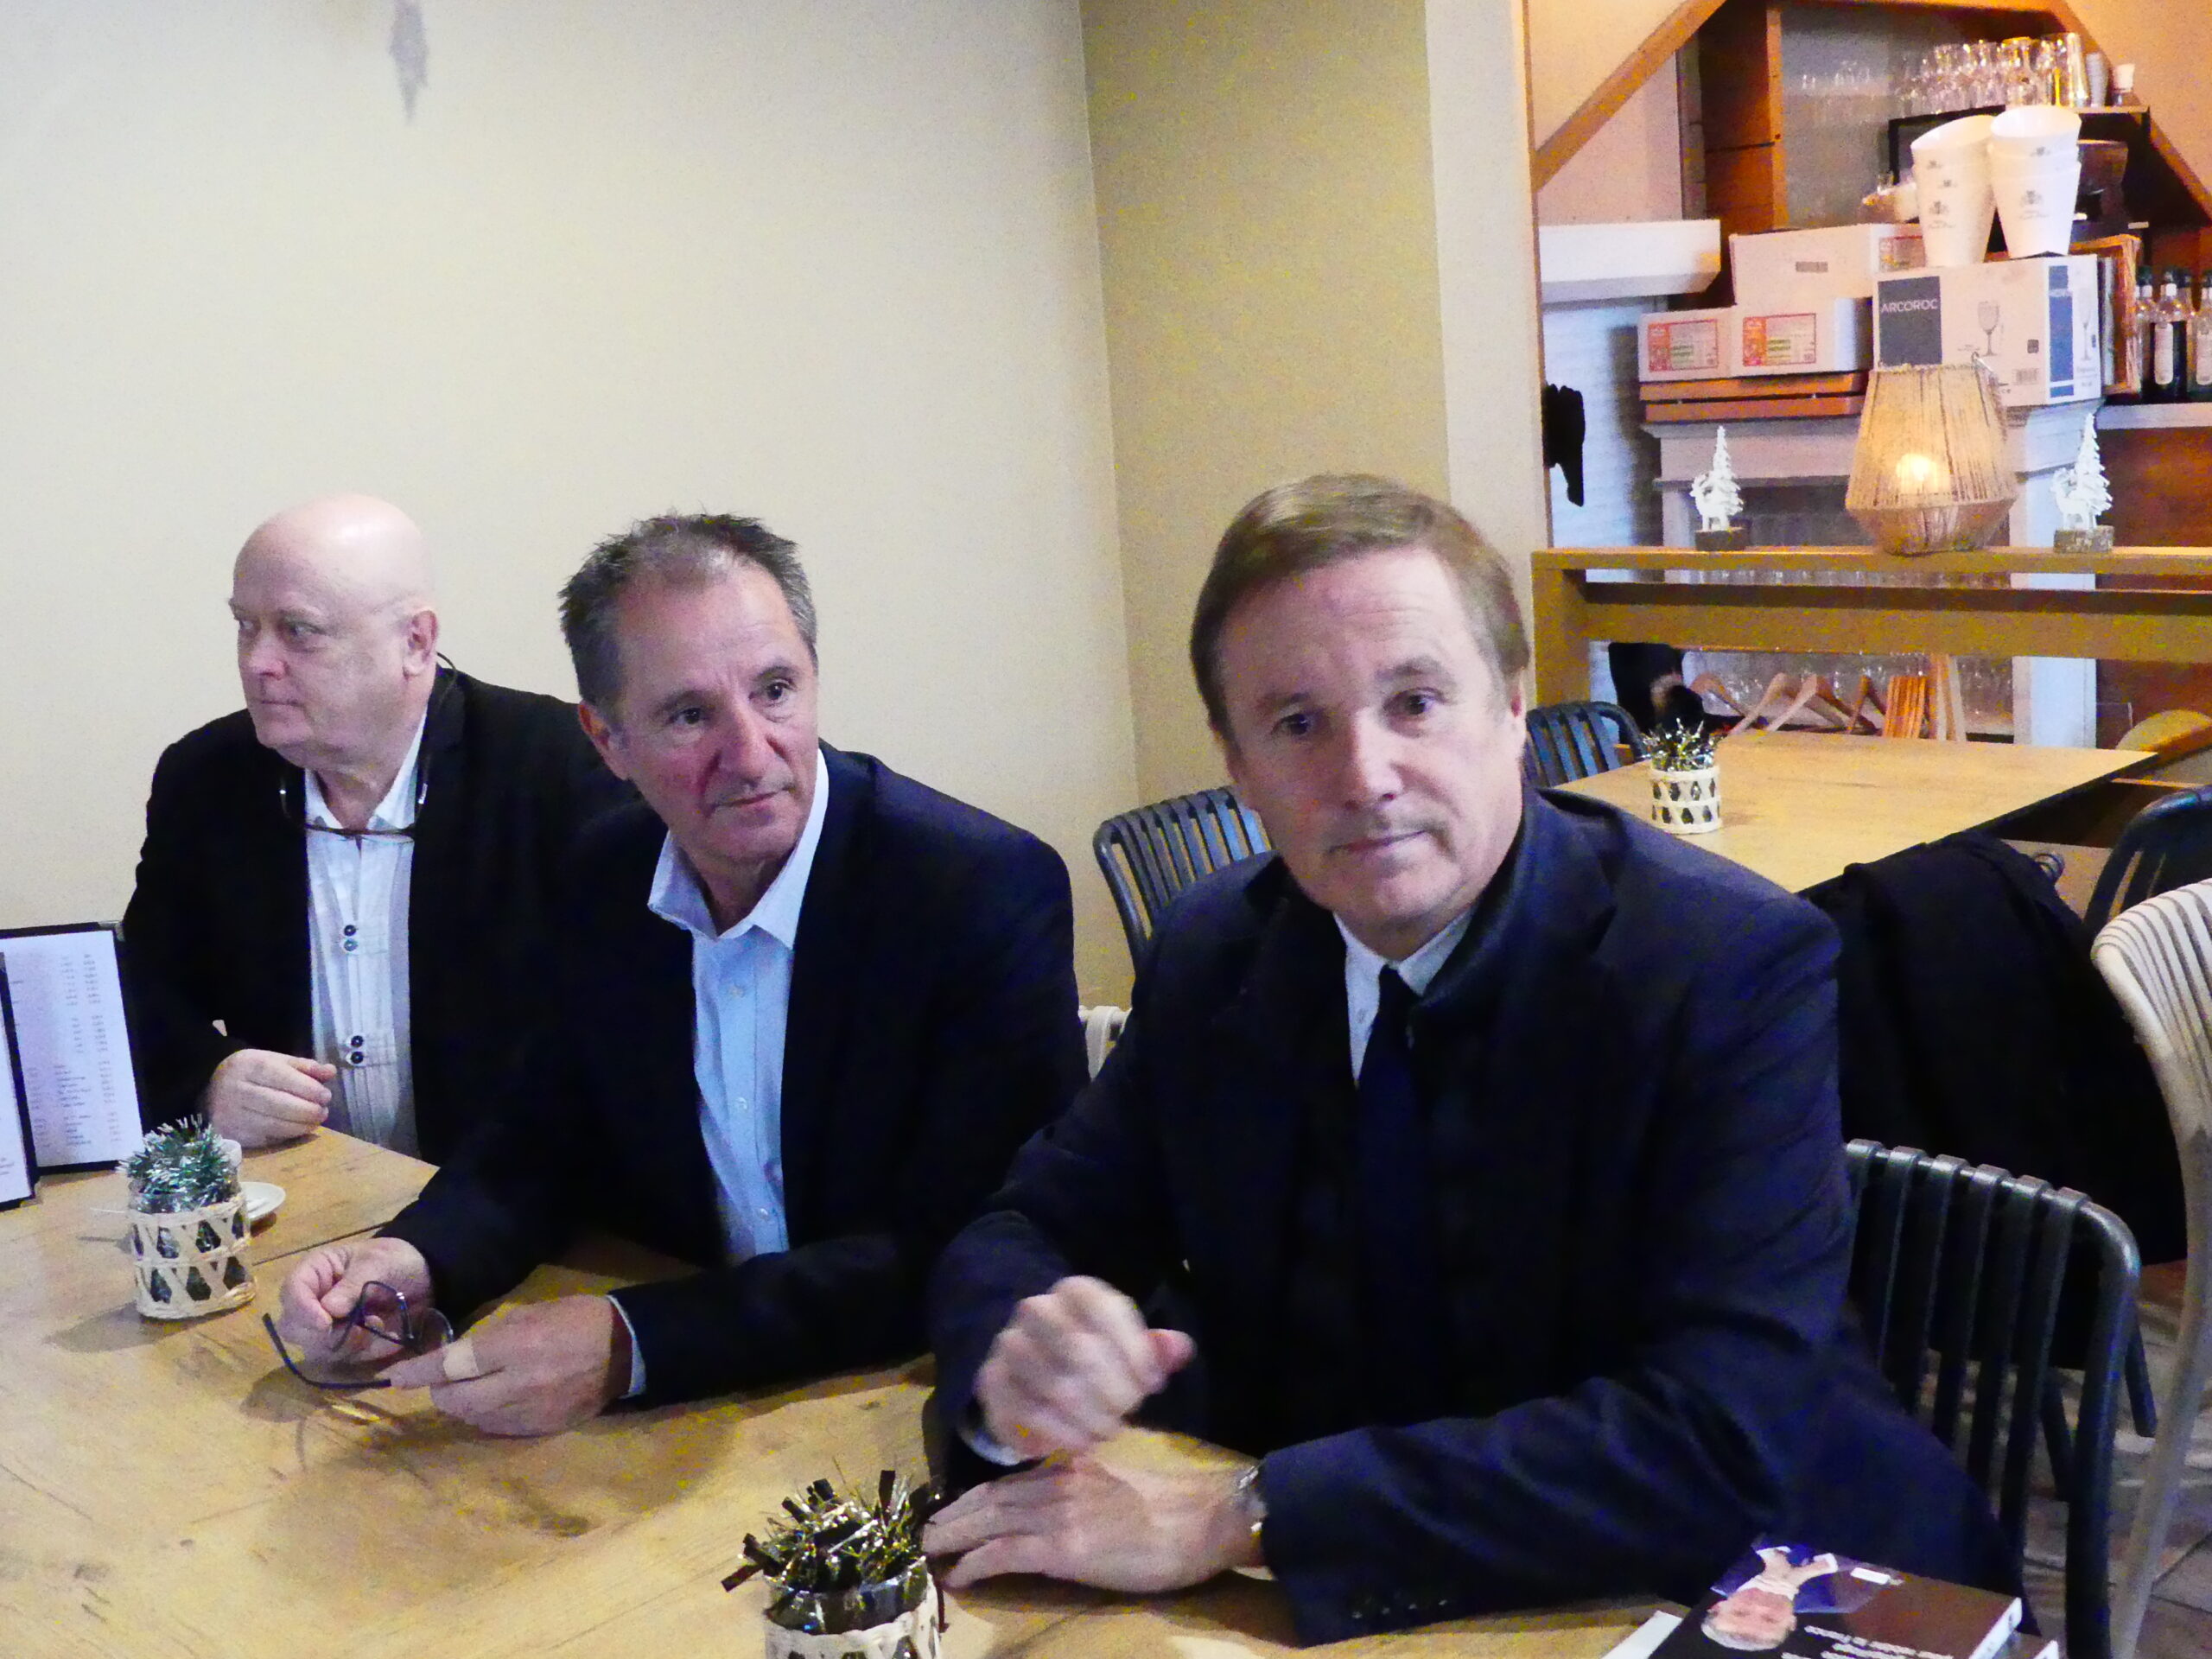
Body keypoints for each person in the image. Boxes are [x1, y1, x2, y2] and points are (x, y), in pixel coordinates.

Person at [921, 475, 2012, 1643]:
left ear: (1512, 707)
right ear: (1236, 767)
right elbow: (1023, 1229)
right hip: (1385, 1598)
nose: (1365, 776)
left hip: (1756, 1577)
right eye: (1297, 724)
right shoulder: (1217, 955)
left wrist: (1249, 1514)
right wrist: (1020, 1374)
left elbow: (1715, 1439)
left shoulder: (1722, 966)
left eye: (1415, 702)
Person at [272, 512, 1086, 1435]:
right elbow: (537, 1143)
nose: (751, 753)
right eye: (691, 715)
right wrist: (416, 1262)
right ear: (608, 741)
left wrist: (633, 1343)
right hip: (692, 1415)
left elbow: (966, 1247)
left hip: (910, 1400)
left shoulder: (976, 889)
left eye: (775, 691)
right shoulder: (602, 878)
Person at [122, 495, 626, 1160]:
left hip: (519, 1197)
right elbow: (142, 997)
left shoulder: (559, 771)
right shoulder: (207, 779)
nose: (257, 661)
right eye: (246, 626)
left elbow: (627, 1025)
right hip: (308, 1194)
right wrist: (208, 1079)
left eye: (298, 630)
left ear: (415, 642)